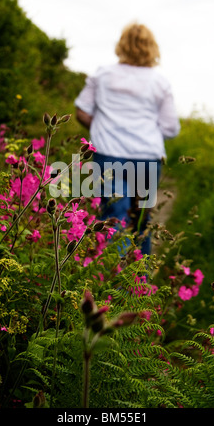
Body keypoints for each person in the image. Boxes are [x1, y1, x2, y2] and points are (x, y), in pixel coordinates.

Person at [74, 22, 180, 255]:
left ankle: (111, 284)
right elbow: (171, 128)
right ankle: (140, 284)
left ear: (122, 46)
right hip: (147, 159)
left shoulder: (103, 74)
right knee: (142, 220)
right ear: (151, 48)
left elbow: (82, 110)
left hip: (108, 154)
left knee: (114, 219)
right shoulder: (160, 82)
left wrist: (102, 126)